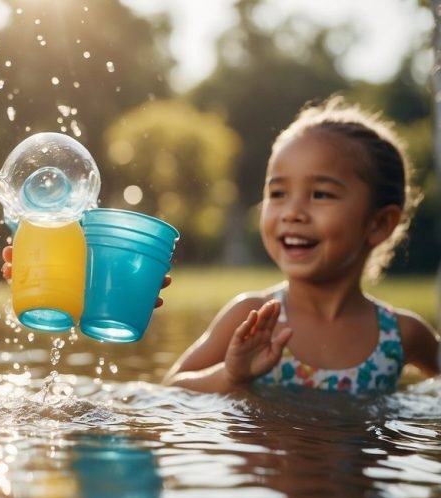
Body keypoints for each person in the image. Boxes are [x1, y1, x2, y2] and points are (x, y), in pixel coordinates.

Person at [165, 97, 440, 393]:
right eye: (278, 193)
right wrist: (230, 376)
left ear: (379, 224)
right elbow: (171, 391)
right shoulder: (251, 316)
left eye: (320, 194)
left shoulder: (400, 334)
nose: (292, 212)